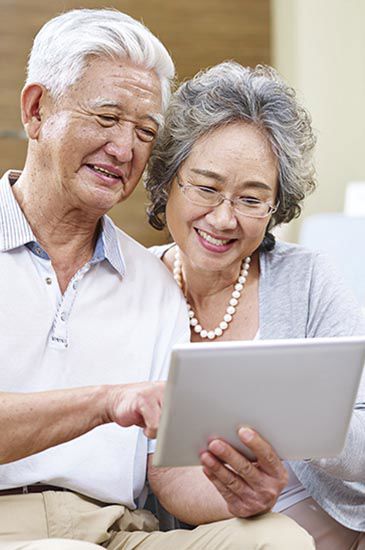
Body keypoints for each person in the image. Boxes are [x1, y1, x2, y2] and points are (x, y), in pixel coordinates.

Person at [0, 9, 315, 550]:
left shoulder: (152, 281)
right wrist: (105, 401)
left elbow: (168, 475)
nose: (125, 149)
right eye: (106, 118)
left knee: (277, 538)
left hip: (118, 532)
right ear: (36, 110)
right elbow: (115, 402)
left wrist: (243, 492)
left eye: (145, 131)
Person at [146, 61, 365, 549]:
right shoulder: (131, 284)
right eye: (206, 188)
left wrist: (301, 422)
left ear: (275, 207)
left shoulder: (308, 278)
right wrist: (243, 495)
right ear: (168, 181)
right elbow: (147, 466)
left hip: (344, 526)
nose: (224, 219)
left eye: (252, 199)